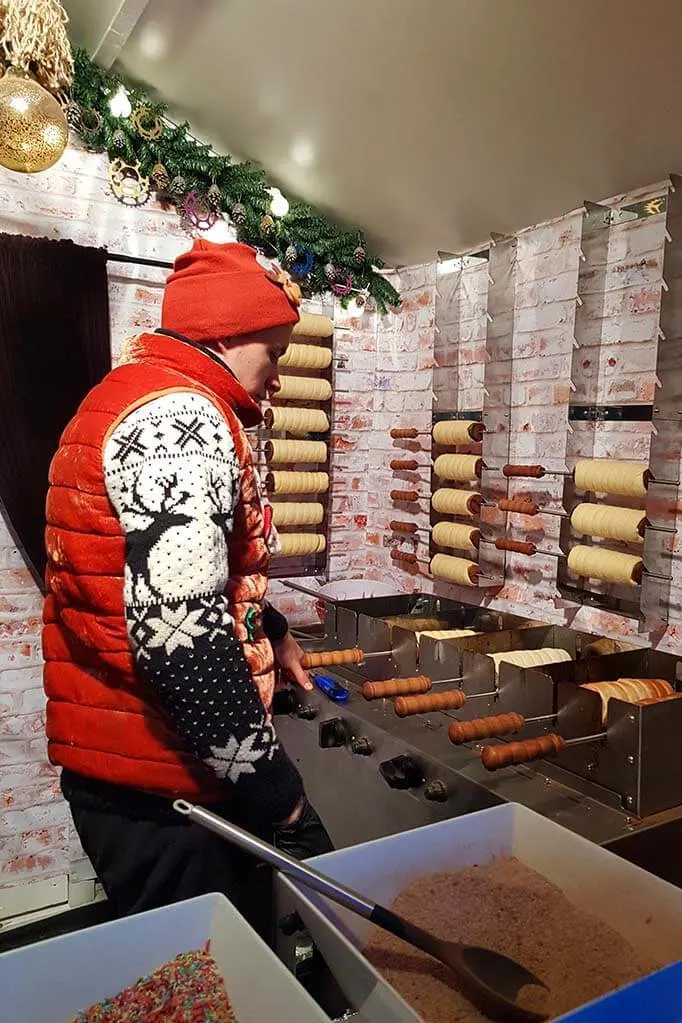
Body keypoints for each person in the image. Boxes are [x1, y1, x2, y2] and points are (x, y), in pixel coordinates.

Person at [42, 241, 332, 933]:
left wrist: (275, 631)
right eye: (277, 351)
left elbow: (154, 577)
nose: (280, 378)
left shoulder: (137, 394)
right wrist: (283, 802)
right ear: (228, 332)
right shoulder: (182, 422)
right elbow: (183, 646)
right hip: (166, 794)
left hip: (128, 774)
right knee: (213, 989)